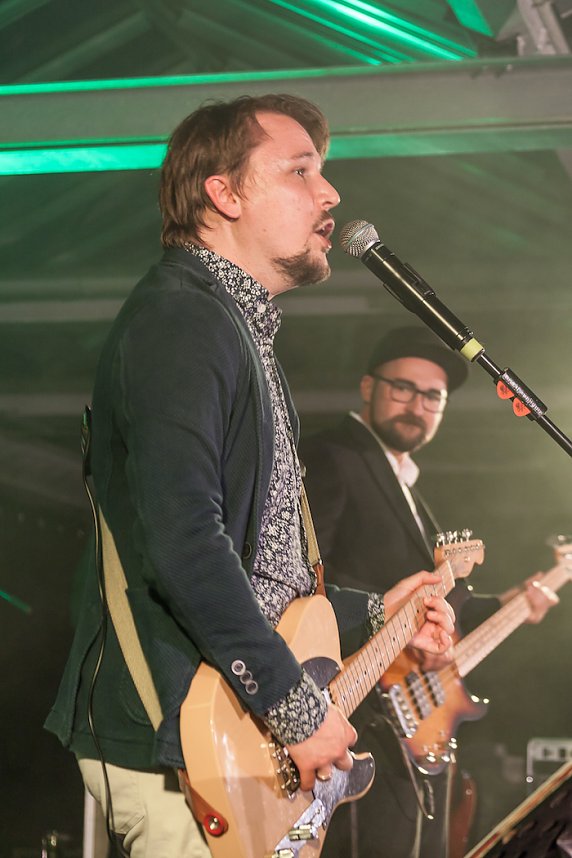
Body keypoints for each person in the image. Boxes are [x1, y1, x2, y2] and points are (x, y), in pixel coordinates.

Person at [44, 96, 456, 858]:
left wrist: (371, 610)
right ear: (224, 195)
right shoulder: (181, 319)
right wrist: (298, 714)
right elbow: (183, 544)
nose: (329, 193)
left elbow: (260, 572)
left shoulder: (234, 327)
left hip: (226, 734)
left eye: (322, 174)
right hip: (181, 739)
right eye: (300, 171)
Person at [300, 325, 557, 858]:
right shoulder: (334, 457)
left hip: (407, 721)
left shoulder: (410, 489)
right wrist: (392, 624)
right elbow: (304, 578)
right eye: (403, 388)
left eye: (432, 397)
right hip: (355, 707)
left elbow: (441, 609)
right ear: (368, 387)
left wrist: (513, 602)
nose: (416, 405)